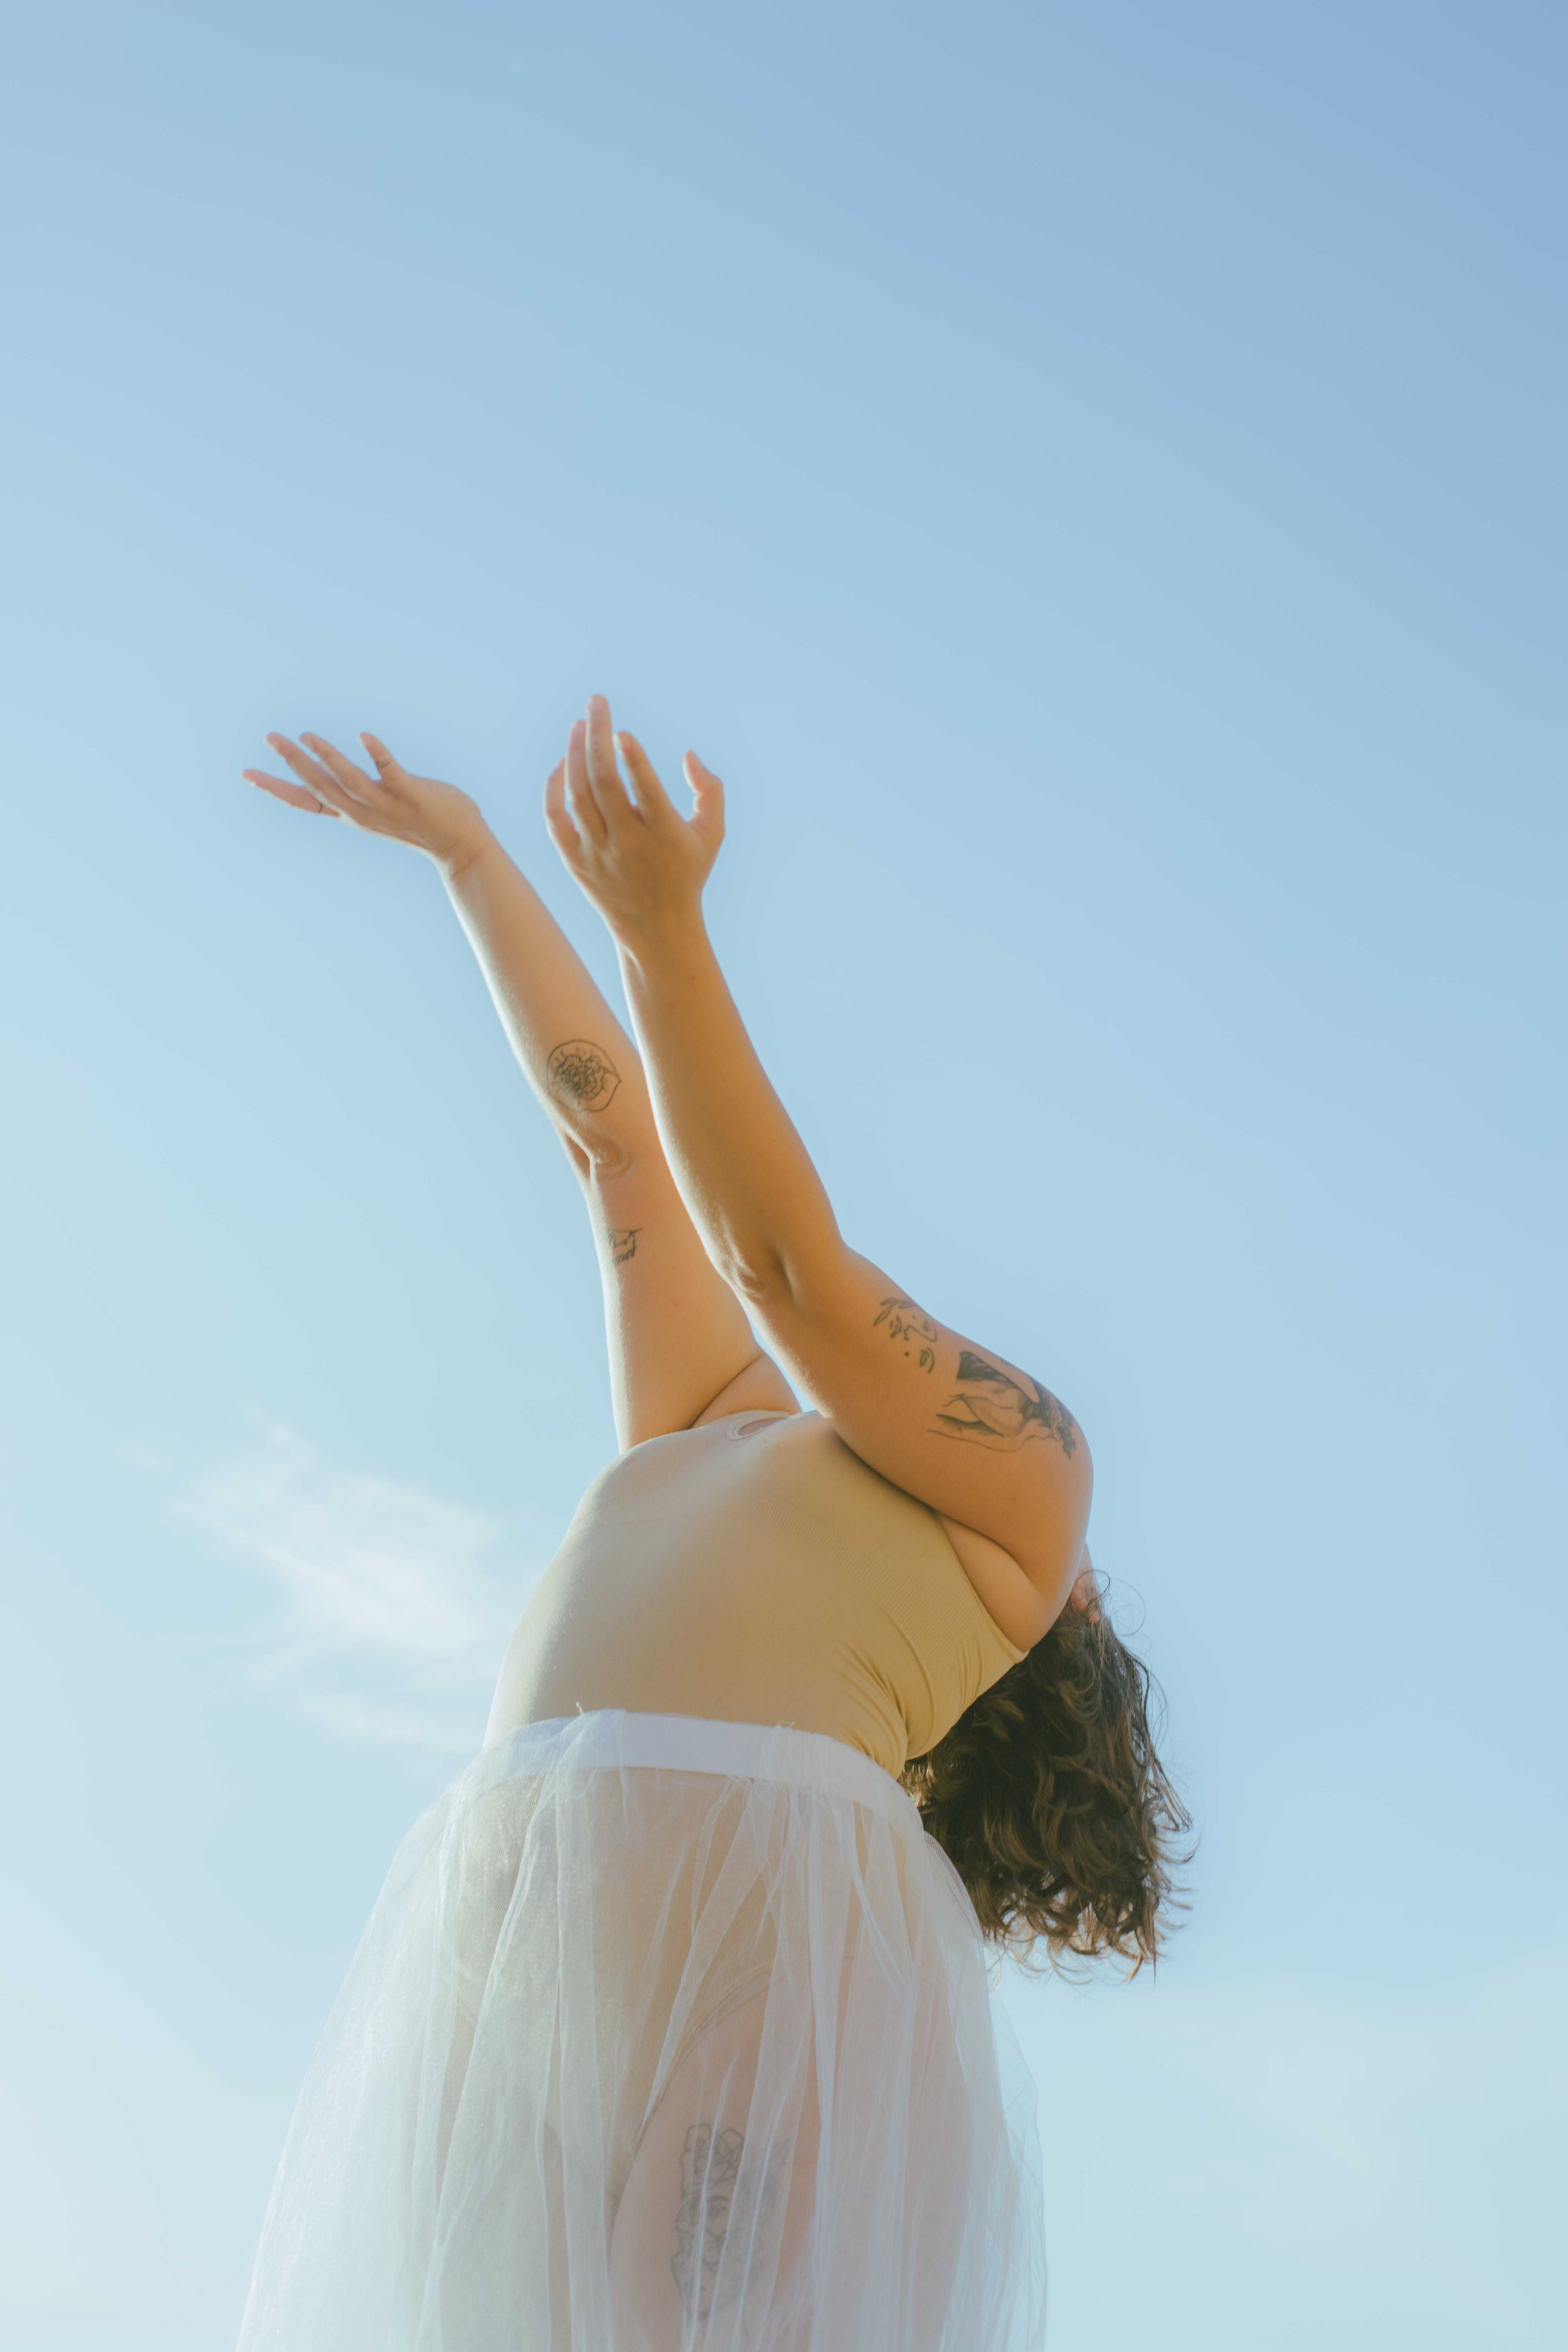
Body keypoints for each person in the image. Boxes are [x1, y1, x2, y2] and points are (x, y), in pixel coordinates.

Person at [234, 694, 1189, 2351]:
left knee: (681, 2318)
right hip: (533, 1900)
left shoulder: (1023, 1506)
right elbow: (611, 1147)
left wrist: (663, 933)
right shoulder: (709, 1426)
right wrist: (469, 859)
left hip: (729, 1901)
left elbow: (794, 1275)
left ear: (1065, 1637)